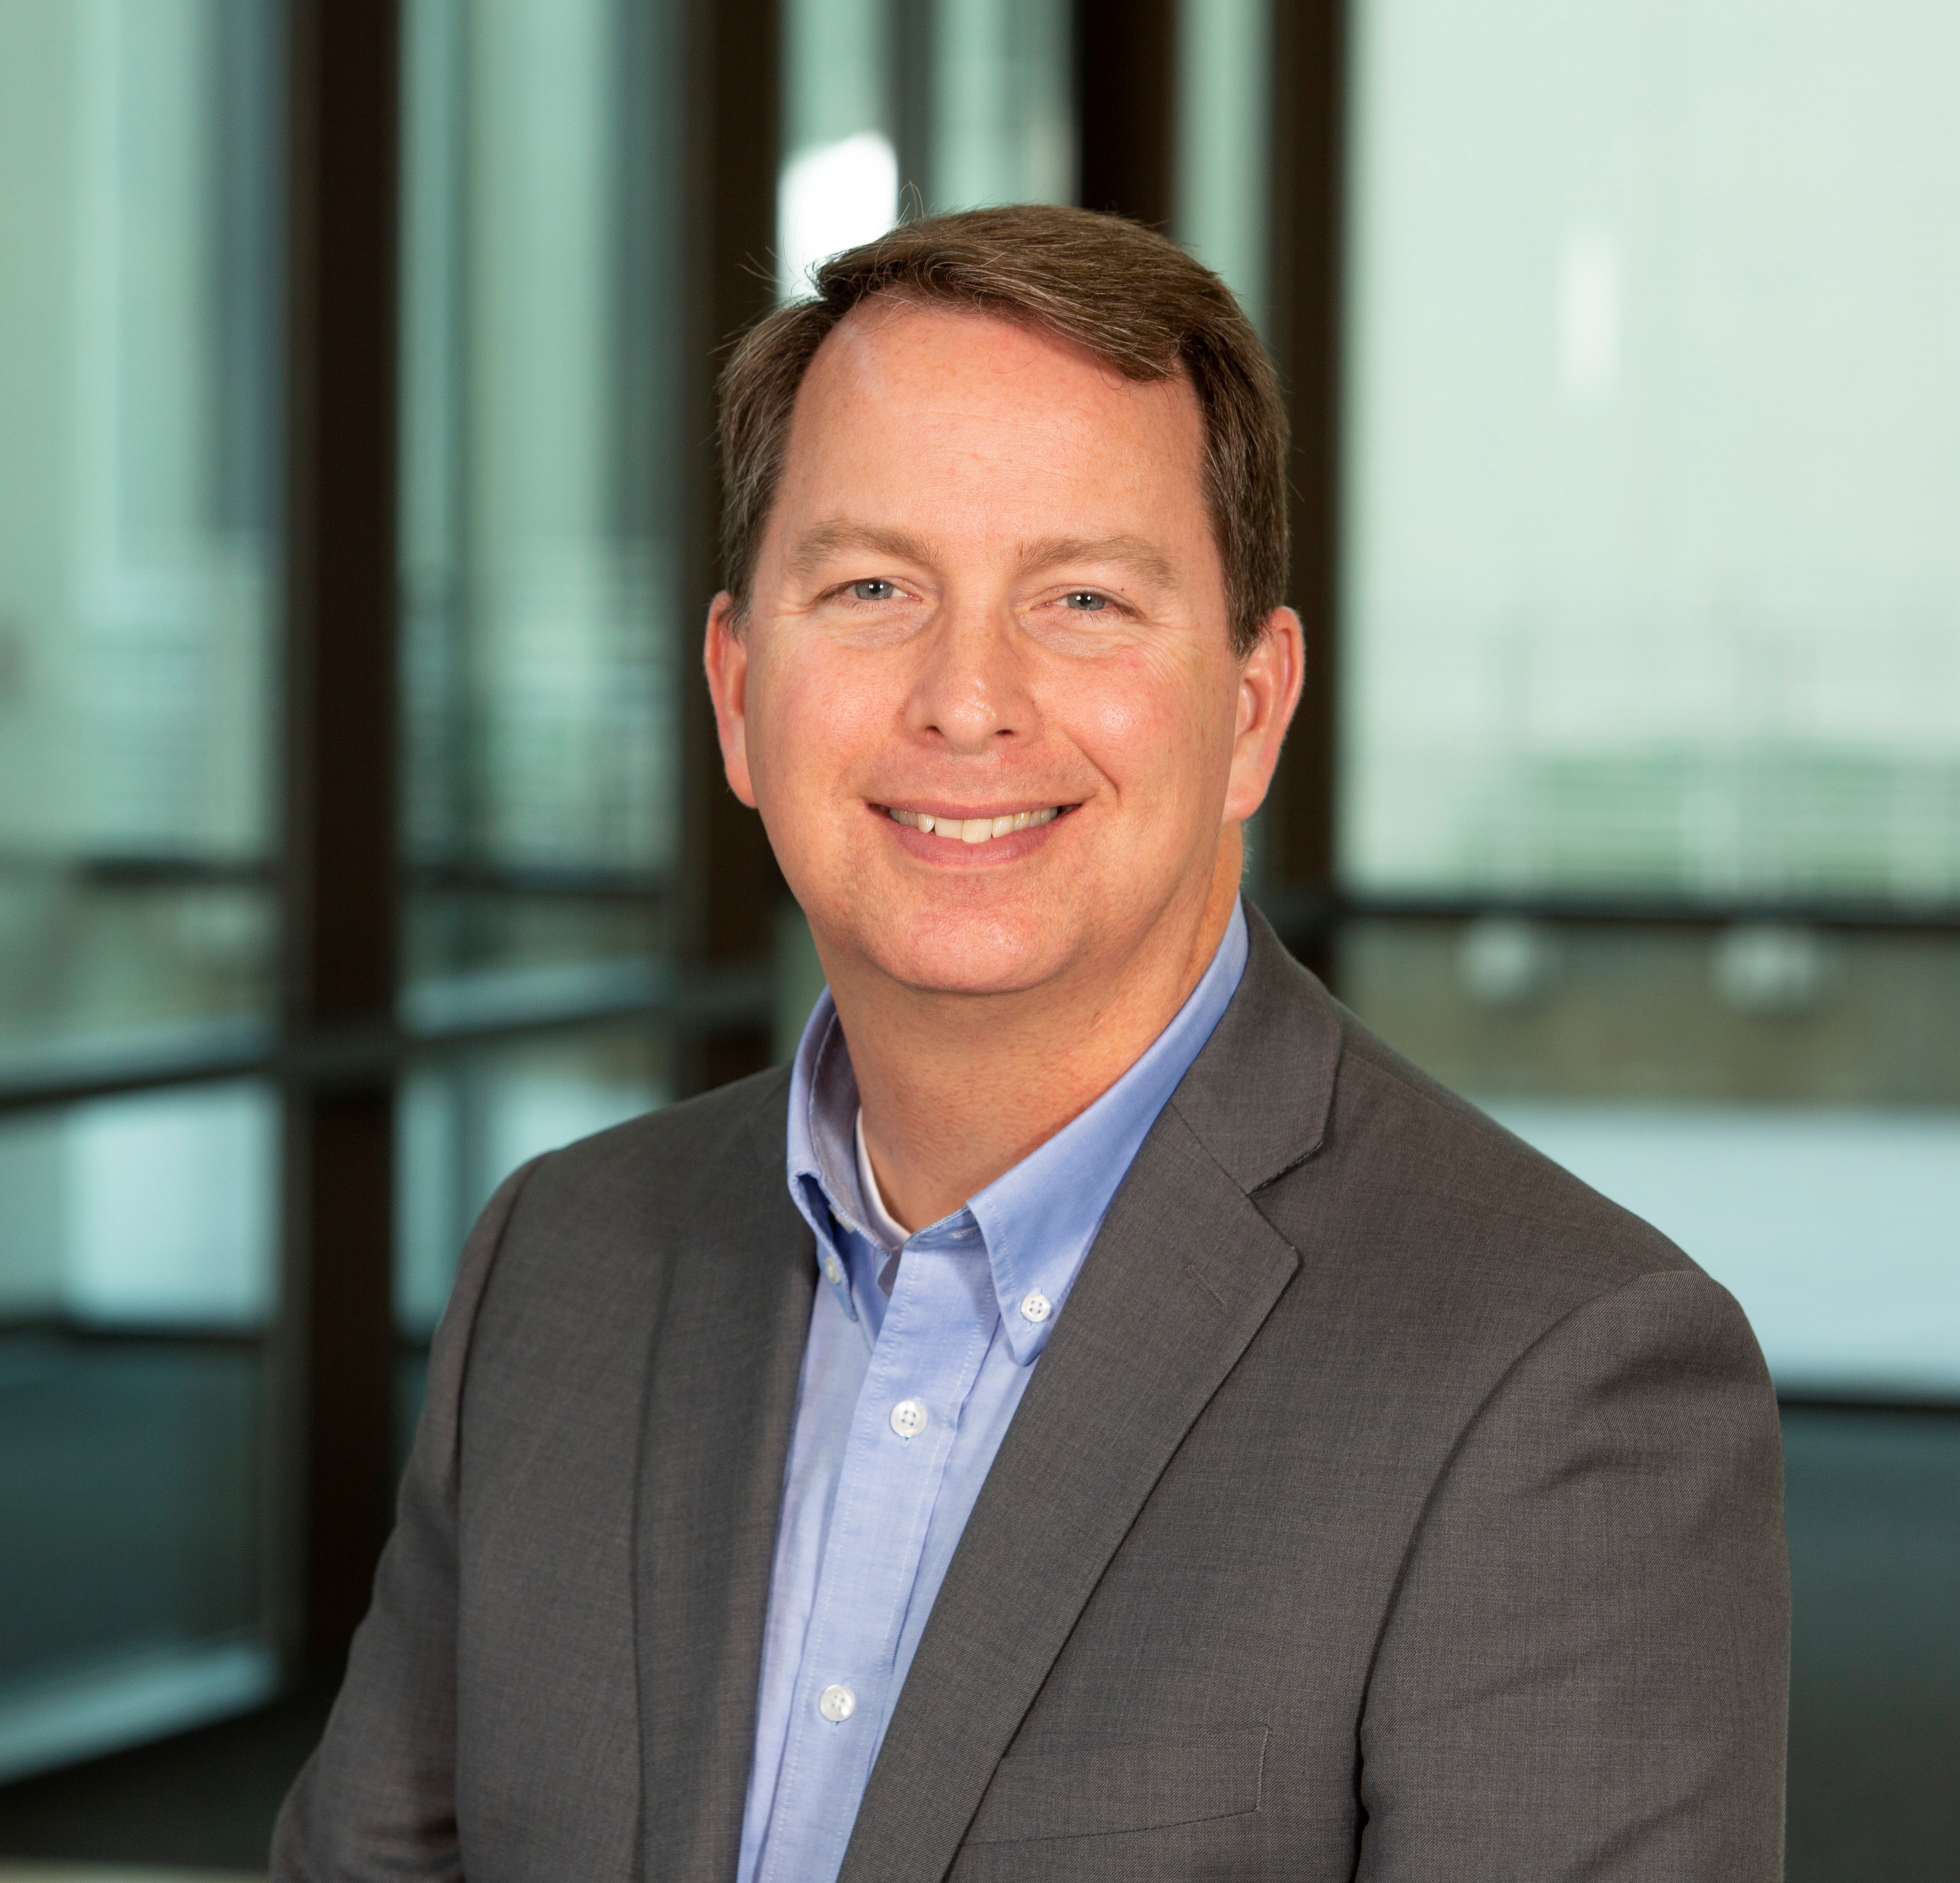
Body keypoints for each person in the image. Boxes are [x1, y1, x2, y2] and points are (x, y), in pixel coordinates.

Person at [272, 206, 1788, 1882]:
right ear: (735, 692)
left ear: (1252, 709)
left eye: (1082, 599)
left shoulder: (1559, 1376)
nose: (969, 699)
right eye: (872, 588)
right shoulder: (563, 1264)